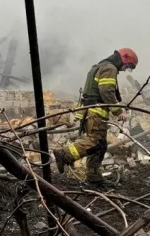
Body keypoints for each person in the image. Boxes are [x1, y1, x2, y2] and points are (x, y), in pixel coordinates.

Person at [53, 48, 139, 186]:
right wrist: (118, 112)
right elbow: (106, 91)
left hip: (90, 111)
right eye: (127, 66)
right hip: (96, 112)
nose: (124, 70)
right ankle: (64, 154)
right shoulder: (110, 68)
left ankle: (94, 178)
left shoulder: (100, 66)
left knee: (100, 145)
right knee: (95, 142)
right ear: (124, 58)